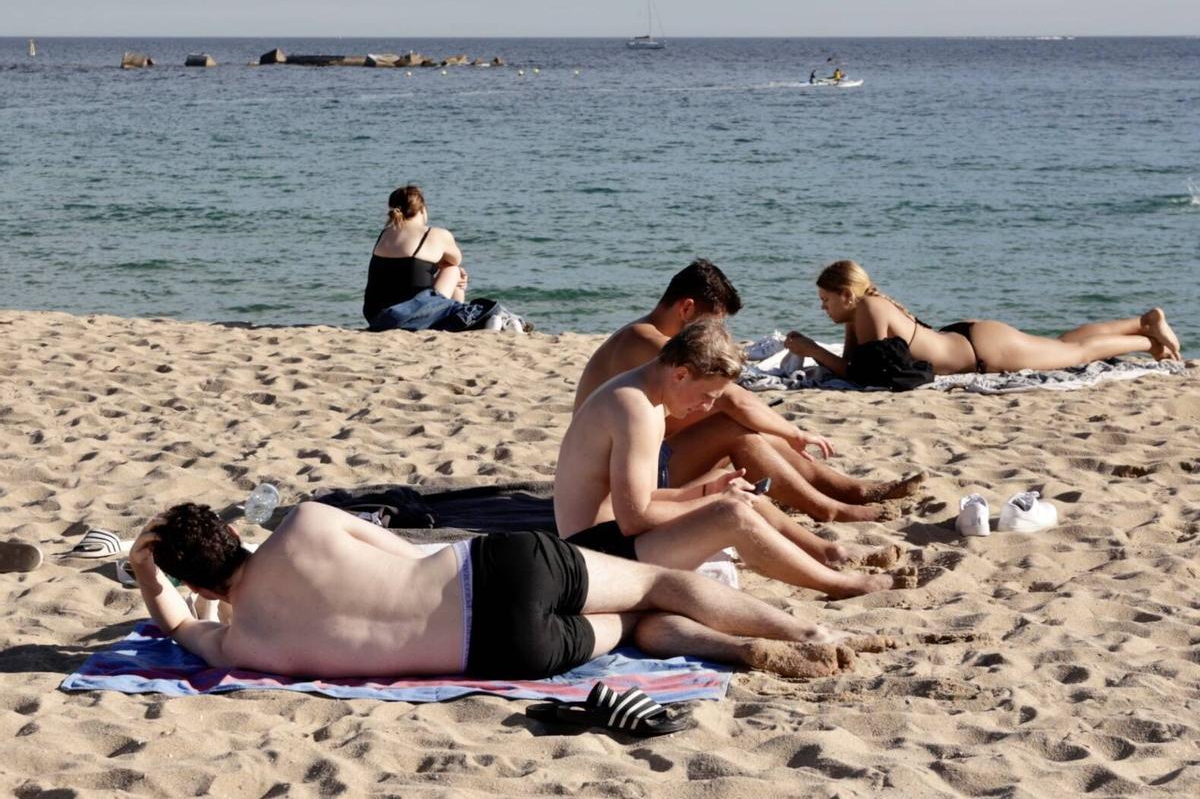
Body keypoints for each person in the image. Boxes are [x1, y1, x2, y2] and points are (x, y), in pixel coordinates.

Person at [130, 501, 892, 681]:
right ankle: (806, 636)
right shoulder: (300, 526)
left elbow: (172, 628)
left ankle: (736, 651)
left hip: (497, 649)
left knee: (630, 624)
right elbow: (401, 551)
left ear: (196, 581)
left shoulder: (243, 645)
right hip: (497, 570)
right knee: (661, 580)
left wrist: (144, 576)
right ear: (232, 535)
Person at [557, 318, 914, 599]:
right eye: (707, 395)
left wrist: (707, 489)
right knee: (732, 513)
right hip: (593, 554)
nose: (708, 407)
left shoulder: (644, 395)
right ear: (680, 373)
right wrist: (713, 500)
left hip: (610, 533)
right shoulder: (635, 409)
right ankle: (839, 585)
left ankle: (826, 553)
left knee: (739, 492)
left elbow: (642, 501)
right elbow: (634, 519)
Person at [575, 259, 924, 525]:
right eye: (715, 324)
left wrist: (780, 431)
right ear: (687, 309)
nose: (717, 334)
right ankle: (830, 506)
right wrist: (795, 432)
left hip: (638, 461)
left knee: (743, 427)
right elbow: (732, 398)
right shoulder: (649, 343)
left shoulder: (648, 338)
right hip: (619, 483)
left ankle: (846, 491)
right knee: (735, 427)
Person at [785, 260, 1183, 377]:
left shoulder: (870, 310)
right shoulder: (865, 311)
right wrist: (819, 348)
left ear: (846, 295)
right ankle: (1141, 321)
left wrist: (811, 349)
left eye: (825, 300)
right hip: (969, 337)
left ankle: (1147, 341)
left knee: (1073, 352)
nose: (823, 308)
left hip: (983, 350)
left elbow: (861, 376)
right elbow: (855, 365)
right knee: (1063, 343)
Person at [363, 185, 468, 327]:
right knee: (453, 269)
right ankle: (460, 320)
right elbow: (456, 259)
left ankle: (457, 318)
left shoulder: (385, 234)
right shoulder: (435, 234)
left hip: (375, 316)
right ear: (422, 210)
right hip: (408, 315)